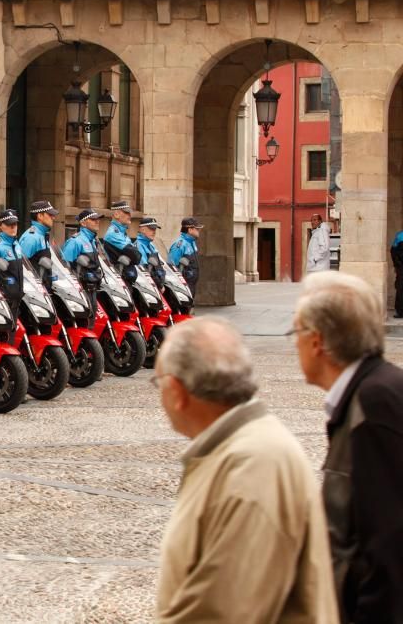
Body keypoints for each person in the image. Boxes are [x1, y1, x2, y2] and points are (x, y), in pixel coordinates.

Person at [155, 317, 338, 623]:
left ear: (176, 390)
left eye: (157, 382)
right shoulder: (238, 448)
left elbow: (221, 612)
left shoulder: (252, 466)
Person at [292, 271, 403, 623]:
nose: (293, 344)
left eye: (296, 332)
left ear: (318, 342)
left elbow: (387, 543)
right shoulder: (366, 393)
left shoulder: (374, 403)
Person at [0, 208, 24, 310]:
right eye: (9, 224)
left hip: (17, 300)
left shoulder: (17, 245)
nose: (13, 227)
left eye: (15, 224)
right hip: (4, 302)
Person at [102, 200, 141, 282]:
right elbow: (135, 255)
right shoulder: (113, 233)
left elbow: (136, 255)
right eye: (126, 213)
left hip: (125, 278)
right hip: (118, 279)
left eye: (129, 213)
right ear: (116, 214)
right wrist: (134, 256)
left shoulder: (122, 232)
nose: (129, 215)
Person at [168, 217, 203, 299]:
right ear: (190, 230)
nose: (199, 231)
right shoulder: (180, 245)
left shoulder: (192, 242)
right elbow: (172, 266)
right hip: (183, 285)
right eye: (197, 229)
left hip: (191, 284)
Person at [18, 200, 59, 268]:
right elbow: (22, 267)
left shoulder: (42, 235)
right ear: (40, 216)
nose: (53, 218)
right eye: (50, 215)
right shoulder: (31, 238)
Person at [135, 216, 166, 287]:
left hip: (157, 284)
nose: (154, 232)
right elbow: (144, 271)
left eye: (155, 229)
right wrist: (158, 284)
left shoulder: (151, 245)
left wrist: (162, 283)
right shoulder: (139, 246)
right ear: (142, 230)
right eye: (151, 229)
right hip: (147, 286)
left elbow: (159, 266)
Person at [390, 228, 403, 318]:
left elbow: (393, 251)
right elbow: (393, 251)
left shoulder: (399, 235)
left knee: (400, 288)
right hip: (401, 268)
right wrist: (398, 264)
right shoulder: (400, 236)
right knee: (400, 288)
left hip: (400, 268)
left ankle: (400, 311)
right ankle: (400, 311)